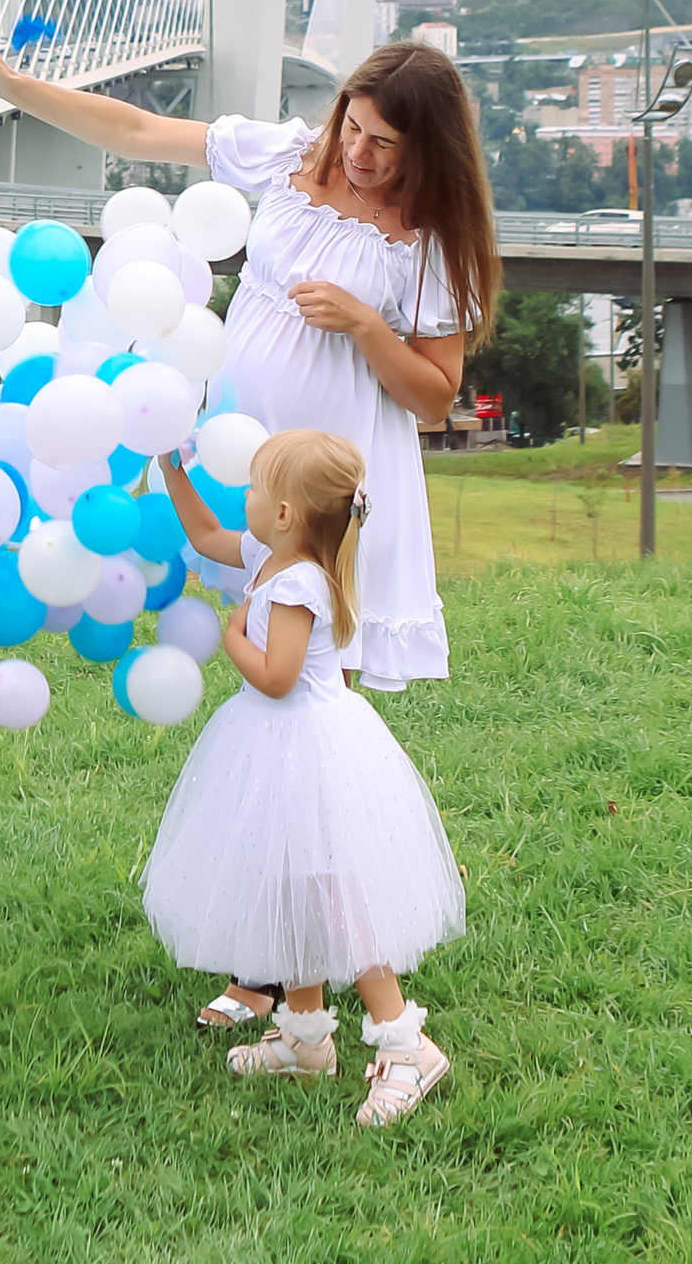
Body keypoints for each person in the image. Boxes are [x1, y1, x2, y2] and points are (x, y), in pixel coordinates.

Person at [0, 32, 495, 1008]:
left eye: (387, 146)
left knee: (293, 713)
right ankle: (278, 974)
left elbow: (434, 399)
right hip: (234, 456)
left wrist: (368, 328)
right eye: (356, 128)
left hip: (321, 487)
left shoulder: (427, 242)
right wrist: (8, 84)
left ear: (428, 152)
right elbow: (134, 127)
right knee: (266, 724)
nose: (362, 155)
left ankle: (307, 985)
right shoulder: (288, 156)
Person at [142, 427, 464, 1128]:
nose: (247, 497)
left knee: (337, 893)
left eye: (256, 488)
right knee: (288, 884)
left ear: (285, 513)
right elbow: (202, 536)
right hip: (273, 746)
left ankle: (408, 1046)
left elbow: (279, 678)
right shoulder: (268, 554)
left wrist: (231, 640)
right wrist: (170, 468)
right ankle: (305, 1036)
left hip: (305, 745)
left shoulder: (295, 584)